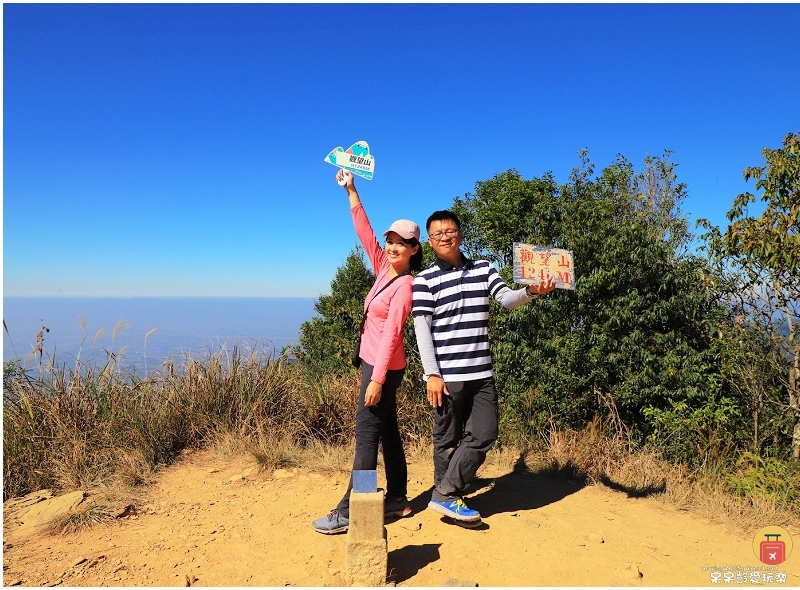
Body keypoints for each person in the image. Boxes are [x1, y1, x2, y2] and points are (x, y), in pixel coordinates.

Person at [411, 210, 556, 524]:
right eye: (437, 234)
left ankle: (445, 494)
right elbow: (422, 328)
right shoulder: (424, 279)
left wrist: (532, 291)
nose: (445, 237)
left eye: (450, 231)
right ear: (430, 241)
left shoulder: (483, 268)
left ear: (461, 234)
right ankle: (449, 496)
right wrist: (431, 374)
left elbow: (506, 298)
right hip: (447, 376)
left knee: (485, 433)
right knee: (446, 439)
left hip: (481, 373)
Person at [312, 169, 423, 534]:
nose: (391, 246)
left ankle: (350, 510)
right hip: (375, 364)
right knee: (387, 431)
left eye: (400, 243)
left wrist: (376, 380)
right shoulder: (383, 269)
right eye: (390, 240)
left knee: (366, 437)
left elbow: (392, 334)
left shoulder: (405, 285)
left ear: (414, 250)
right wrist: (351, 191)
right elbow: (364, 232)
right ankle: (398, 499)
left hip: (383, 368)